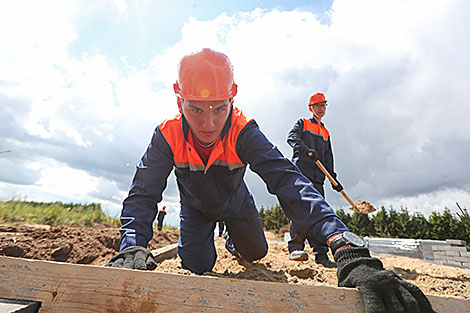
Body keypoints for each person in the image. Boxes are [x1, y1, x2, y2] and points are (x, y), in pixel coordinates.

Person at [106, 48, 435, 313]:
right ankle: (207, 244)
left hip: (237, 203)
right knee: (196, 265)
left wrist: (347, 247)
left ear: (232, 101)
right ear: (180, 102)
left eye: (219, 109)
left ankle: (236, 242)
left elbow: (289, 183)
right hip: (195, 210)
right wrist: (132, 244)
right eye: (196, 110)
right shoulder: (166, 134)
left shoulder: (243, 130)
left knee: (255, 252)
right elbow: (143, 194)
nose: (208, 123)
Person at [286, 92, 342, 268]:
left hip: (318, 178)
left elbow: (328, 157)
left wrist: (333, 178)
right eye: (318, 105)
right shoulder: (303, 123)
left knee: (319, 214)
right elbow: (292, 138)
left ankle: (321, 256)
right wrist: (306, 150)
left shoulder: (325, 132)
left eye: (324, 105)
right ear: (311, 108)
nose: (321, 108)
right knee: (300, 210)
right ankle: (295, 248)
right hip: (302, 174)